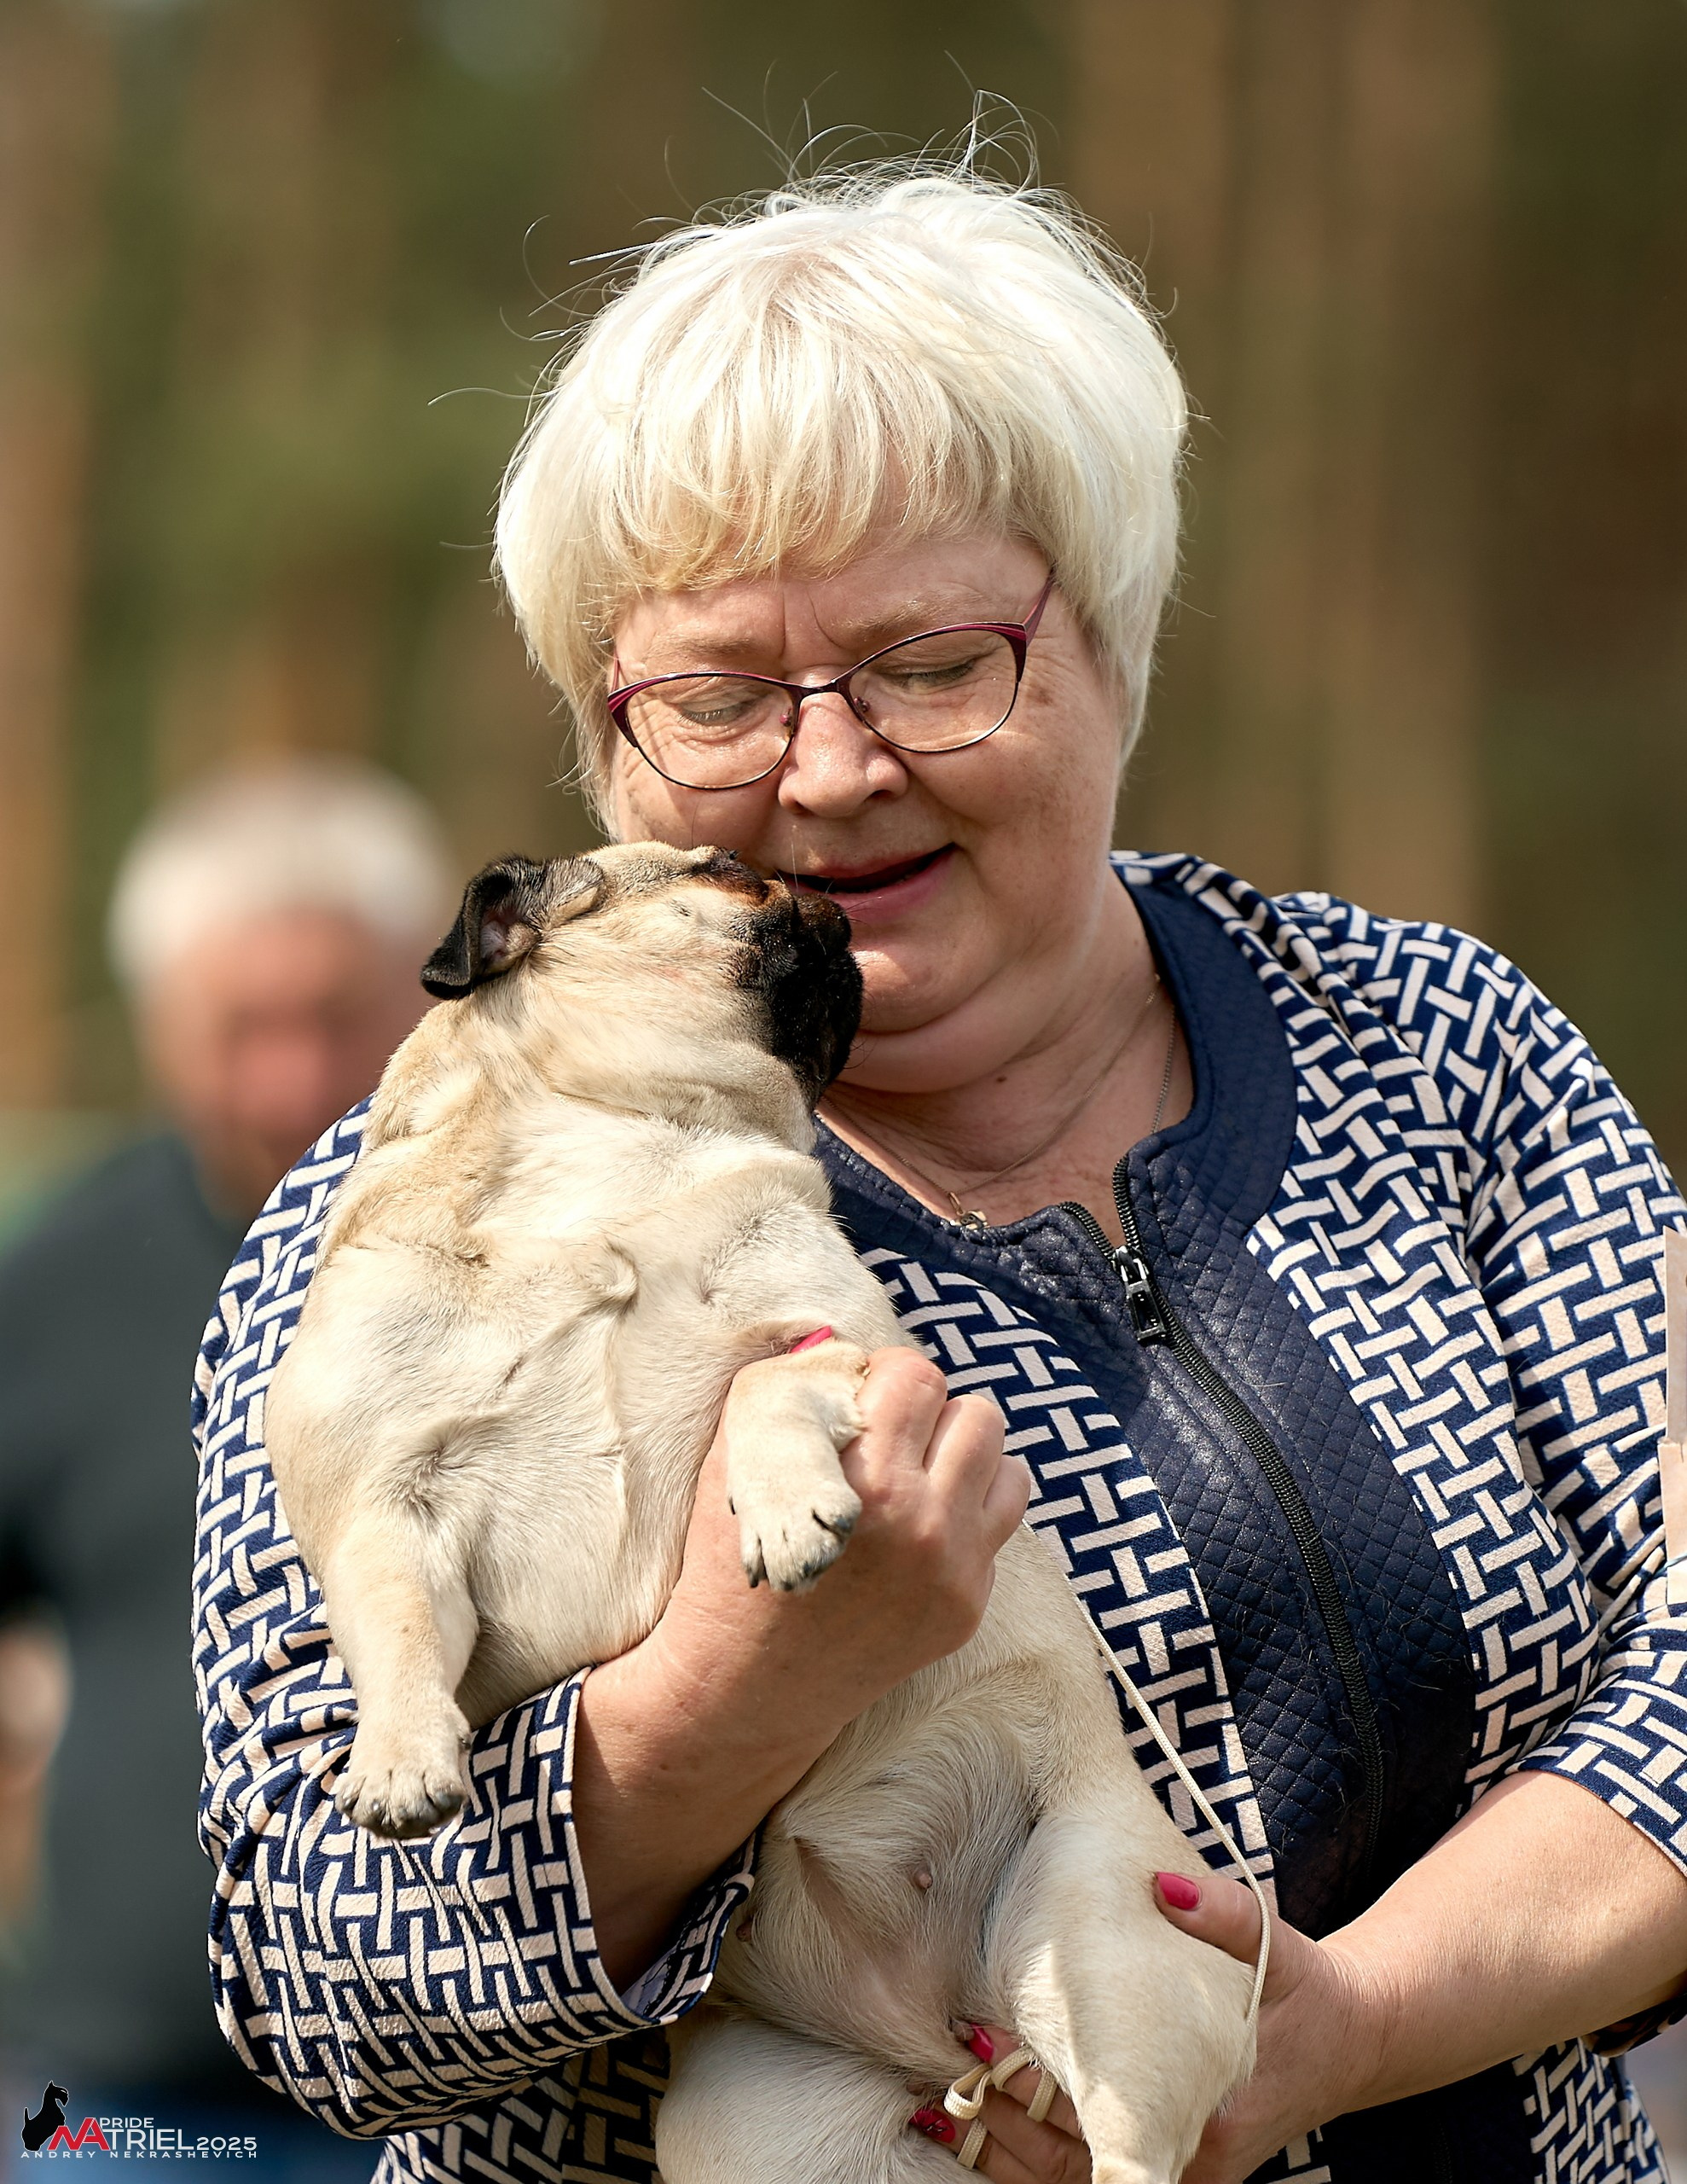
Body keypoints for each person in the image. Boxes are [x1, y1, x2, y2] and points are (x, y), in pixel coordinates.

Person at [190, 167, 1687, 2184]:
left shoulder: (1425, 1044)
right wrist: (736, 1683)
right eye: (718, 693)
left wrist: (1345, 2025)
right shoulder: (401, 1218)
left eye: (928, 661)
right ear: (604, 737)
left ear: (1108, 645)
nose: (827, 768)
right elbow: (308, 1971)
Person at [0, 759, 451, 2176]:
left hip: (481, 2099)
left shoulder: (536, 1253)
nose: (293, 1079)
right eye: (238, 1026)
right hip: (124, 2114)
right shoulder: (60, 1279)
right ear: (156, 1025)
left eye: (335, 1016)